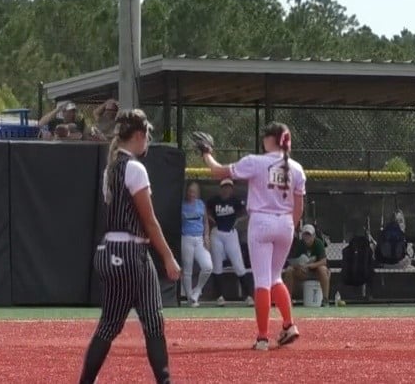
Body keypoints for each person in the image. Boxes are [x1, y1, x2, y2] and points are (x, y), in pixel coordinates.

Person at [77, 109, 180, 384]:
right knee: (148, 322)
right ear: (137, 135)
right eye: (146, 135)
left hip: (110, 252)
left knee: (120, 323)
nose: (147, 141)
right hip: (130, 253)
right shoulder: (134, 168)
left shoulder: (110, 168)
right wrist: (169, 257)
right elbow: (149, 221)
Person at [194, 122, 307, 351]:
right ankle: (289, 325)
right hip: (285, 222)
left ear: (270, 140)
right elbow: (299, 206)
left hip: (262, 221)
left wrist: (207, 153)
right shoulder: (297, 168)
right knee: (275, 277)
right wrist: (291, 228)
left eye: (265, 136)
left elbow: (217, 171)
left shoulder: (256, 162)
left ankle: (263, 337)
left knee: (263, 281)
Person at [207, 178, 253, 306]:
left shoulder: (236, 201)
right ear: (221, 188)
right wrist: (211, 220)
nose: (227, 189)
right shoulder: (214, 201)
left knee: (238, 264)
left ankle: (248, 296)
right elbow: (206, 211)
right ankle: (219, 297)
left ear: (232, 189)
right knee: (217, 265)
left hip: (231, 234)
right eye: (224, 187)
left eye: (229, 187)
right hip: (217, 233)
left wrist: (237, 221)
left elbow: (246, 213)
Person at [180, 181, 214, 307]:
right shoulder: (182, 205)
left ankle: (197, 291)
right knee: (187, 270)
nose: (192, 194)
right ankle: (190, 298)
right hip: (186, 238)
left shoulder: (201, 204)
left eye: (194, 191)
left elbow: (205, 222)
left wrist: (206, 236)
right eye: (190, 191)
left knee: (208, 266)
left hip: (199, 238)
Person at [283, 224, 330, 306]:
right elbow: (292, 261)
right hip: (303, 272)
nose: (307, 237)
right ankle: (288, 299)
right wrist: (298, 266)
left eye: (309, 235)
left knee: (322, 269)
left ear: (314, 235)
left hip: (316, 272)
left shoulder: (318, 243)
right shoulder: (299, 244)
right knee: (289, 270)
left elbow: (323, 261)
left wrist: (311, 265)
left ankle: (325, 299)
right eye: (305, 235)